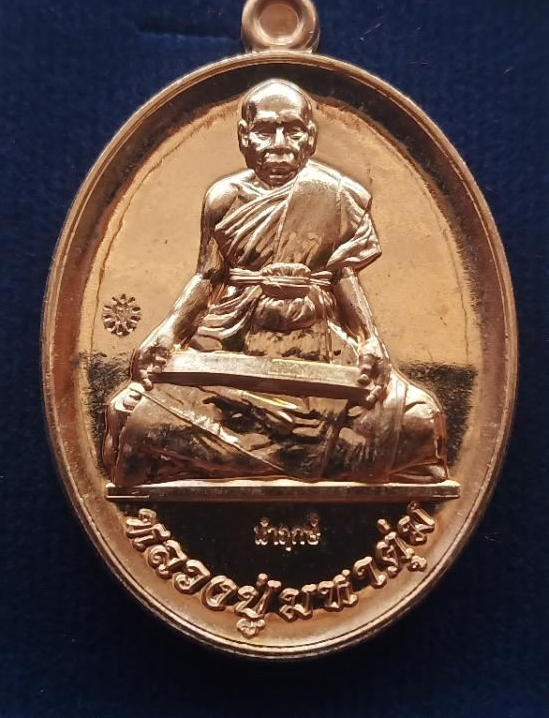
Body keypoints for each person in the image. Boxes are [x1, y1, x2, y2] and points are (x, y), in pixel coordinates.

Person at [104, 79, 447, 487]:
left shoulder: (336, 195)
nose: (280, 144)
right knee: (133, 416)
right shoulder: (224, 198)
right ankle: (303, 457)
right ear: (245, 137)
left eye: (292, 130)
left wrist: (371, 341)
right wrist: (166, 334)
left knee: (421, 420)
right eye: (266, 130)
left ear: (311, 137)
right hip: (231, 346)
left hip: (319, 352)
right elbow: (209, 276)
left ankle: (228, 459)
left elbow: (342, 274)